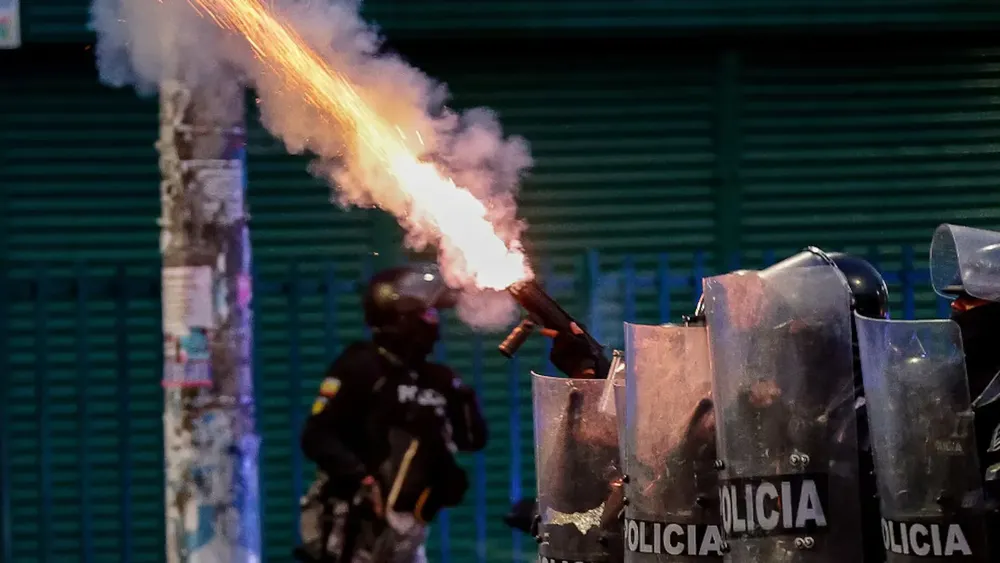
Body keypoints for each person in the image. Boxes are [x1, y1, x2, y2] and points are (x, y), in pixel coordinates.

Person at [294, 263, 488, 563]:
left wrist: (462, 398)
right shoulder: (362, 366)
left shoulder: (436, 378)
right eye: (425, 313)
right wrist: (363, 479)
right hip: (353, 526)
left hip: (407, 530)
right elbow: (317, 435)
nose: (433, 322)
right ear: (397, 315)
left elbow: (473, 440)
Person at [190, 506, 259, 563]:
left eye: (236, 522)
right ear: (214, 524)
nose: (232, 526)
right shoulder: (198, 557)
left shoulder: (249, 557)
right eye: (227, 521)